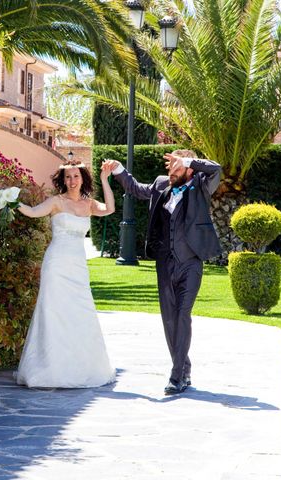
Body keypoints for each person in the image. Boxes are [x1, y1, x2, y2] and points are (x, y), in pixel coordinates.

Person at [103, 150, 222, 395]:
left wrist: (188, 161)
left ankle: (176, 375)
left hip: (190, 262)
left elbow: (216, 168)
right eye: (170, 167)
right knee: (169, 319)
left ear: (189, 169)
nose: (171, 172)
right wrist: (117, 169)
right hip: (164, 262)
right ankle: (184, 367)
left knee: (182, 314)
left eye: (177, 168)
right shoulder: (161, 184)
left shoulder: (201, 184)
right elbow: (136, 189)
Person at [14, 160, 116, 388]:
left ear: (82, 179)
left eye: (76, 176)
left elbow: (110, 209)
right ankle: (48, 368)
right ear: (63, 180)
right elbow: (32, 212)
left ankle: (82, 366)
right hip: (56, 263)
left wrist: (104, 181)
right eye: (68, 177)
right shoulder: (56, 202)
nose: (72, 181)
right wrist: (11, 201)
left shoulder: (89, 204)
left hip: (78, 266)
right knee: (52, 311)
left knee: (80, 311)